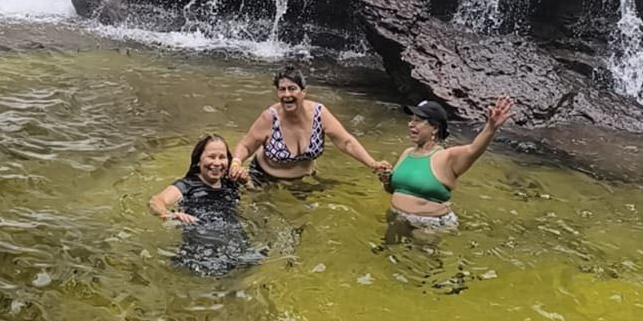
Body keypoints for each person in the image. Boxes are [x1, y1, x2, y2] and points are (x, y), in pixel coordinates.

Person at [227, 68, 390, 185]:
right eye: (282, 90)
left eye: (292, 89)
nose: (287, 95)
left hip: (305, 181)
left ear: (303, 92)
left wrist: (372, 164)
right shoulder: (269, 117)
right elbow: (246, 145)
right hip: (265, 179)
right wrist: (236, 162)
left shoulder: (319, 113)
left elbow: (346, 142)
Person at [380, 95, 513, 231]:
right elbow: (395, 189)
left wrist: (491, 128)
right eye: (411, 120)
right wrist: (386, 180)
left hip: (428, 225)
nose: (410, 124)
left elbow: (473, 150)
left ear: (435, 128)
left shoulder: (446, 157)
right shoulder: (406, 153)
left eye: (418, 120)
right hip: (396, 216)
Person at [149, 134, 261, 274]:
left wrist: (246, 181)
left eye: (222, 157)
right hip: (201, 244)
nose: (217, 163)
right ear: (199, 160)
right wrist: (169, 215)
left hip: (236, 242)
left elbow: (258, 195)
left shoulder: (231, 183)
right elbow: (156, 201)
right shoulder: (187, 185)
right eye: (211, 157)